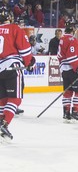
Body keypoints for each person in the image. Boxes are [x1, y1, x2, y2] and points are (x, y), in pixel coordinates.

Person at [0, 10, 35, 140]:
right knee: (15, 98)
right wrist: (30, 62)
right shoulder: (14, 28)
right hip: (11, 66)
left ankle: (0, 125)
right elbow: (25, 49)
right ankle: (4, 125)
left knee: (2, 100)